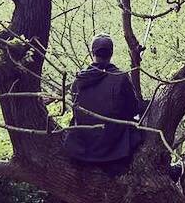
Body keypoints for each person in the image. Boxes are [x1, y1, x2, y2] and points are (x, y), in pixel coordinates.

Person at [62, 35, 145, 167]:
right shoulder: (120, 78)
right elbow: (133, 109)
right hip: (114, 149)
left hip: (84, 148)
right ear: (111, 53)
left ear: (92, 53)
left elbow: (76, 112)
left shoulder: (78, 81)